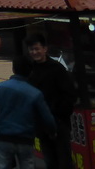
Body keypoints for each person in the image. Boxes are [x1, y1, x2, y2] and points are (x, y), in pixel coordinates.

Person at [0, 56, 55, 169]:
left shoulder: (0, 88)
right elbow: (47, 117)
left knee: (3, 165)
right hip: (26, 139)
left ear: (13, 69)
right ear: (30, 72)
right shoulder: (35, 93)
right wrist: (52, 131)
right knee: (27, 164)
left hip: (4, 137)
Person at [24, 32, 75, 169]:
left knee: (64, 161)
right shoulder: (31, 70)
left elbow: (69, 95)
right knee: (50, 161)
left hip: (58, 123)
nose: (34, 52)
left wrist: (58, 117)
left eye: (37, 48)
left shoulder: (57, 69)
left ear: (45, 49)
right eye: (31, 49)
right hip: (41, 125)